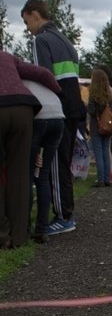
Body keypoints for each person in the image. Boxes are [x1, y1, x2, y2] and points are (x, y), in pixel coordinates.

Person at [21, 0, 83, 235]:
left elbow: (42, 78)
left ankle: (63, 216)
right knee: (63, 163)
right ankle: (67, 211)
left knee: (54, 165)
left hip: (57, 108)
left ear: (35, 14)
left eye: (27, 23)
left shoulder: (41, 40)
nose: (28, 29)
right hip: (74, 107)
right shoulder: (67, 41)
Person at [0, 50, 61, 248]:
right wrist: (58, 92)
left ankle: (2, 235)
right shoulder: (6, 56)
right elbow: (43, 74)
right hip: (24, 108)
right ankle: (18, 237)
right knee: (19, 174)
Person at [23, 73, 64, 243]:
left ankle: (24, 228)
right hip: (58, 117)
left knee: (27, 175)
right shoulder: (39, 80)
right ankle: (43, 229)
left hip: (38, 118)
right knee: (42, 175)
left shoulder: (15, 81)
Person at [87, 68, 112, 187]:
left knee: (98, 153)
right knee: (106, 152)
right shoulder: (110, 95)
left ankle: (100, 180)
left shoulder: (93, 94)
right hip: (108, 126)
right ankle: (107, 179)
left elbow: (92, 111)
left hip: (96, 127)